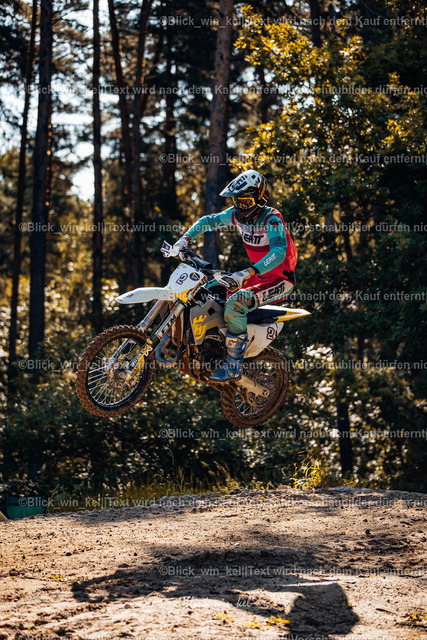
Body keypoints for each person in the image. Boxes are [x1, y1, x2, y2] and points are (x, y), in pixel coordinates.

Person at [169, 169, 297, 383]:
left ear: (260, 198)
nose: (240, 207)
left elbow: (278, 252)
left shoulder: (272, 219)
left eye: (246, 202)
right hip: (256, 274)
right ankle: (212, 348)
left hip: (279, 279)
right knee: (208, 291)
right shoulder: (237, 215)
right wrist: (185, 239)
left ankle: (233, 366)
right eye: (237, 201)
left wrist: (248, 272)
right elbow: (208, 221)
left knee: (236, 303)